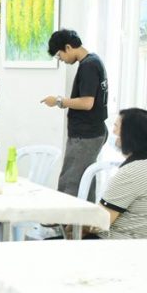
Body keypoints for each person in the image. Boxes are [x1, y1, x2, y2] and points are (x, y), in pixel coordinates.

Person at [41, 29, 108, 197]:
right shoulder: (94, 61)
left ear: (68, 47)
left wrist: (58, 101)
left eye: (59, 55)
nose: (61, 60)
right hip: (92, 131)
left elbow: (87, 103)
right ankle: (85, 215)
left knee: (70, 182)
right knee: (85, 181)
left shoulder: (88, 66)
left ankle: (65, 214)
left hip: (85, 135)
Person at [99, 108, 147, 239]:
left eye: (116, 127)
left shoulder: (130, 173)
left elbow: (99, 223)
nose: (113, 132)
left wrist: (69, 226)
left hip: (116, 245)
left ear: (129, 135)